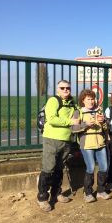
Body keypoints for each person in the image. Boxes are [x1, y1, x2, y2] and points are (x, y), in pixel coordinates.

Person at [37, 80, 79, 212]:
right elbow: (52, 118)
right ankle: (42, 198)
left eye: (68, 88)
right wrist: (70, 121)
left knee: (59, 168)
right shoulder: (53, 101)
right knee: (48, 168)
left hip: (66, 140)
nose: (65, 90)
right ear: (57, 90)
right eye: (62, 88)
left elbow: (78, 115)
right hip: (52, 139)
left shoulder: (72, 103)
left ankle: (57, 193)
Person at [71, 89, 112, 202]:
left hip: (100, 142)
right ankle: (87, 192)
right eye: (88, 99)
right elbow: (73, 128)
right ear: (83, 100)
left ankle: (101, 190)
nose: (91, 101)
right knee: (90, 167)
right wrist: (85, 125)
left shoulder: (99, 110)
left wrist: (104, 121)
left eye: (92, 99)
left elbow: (106, 127)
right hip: (87, 144)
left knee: (104, 167)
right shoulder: (78, 112)